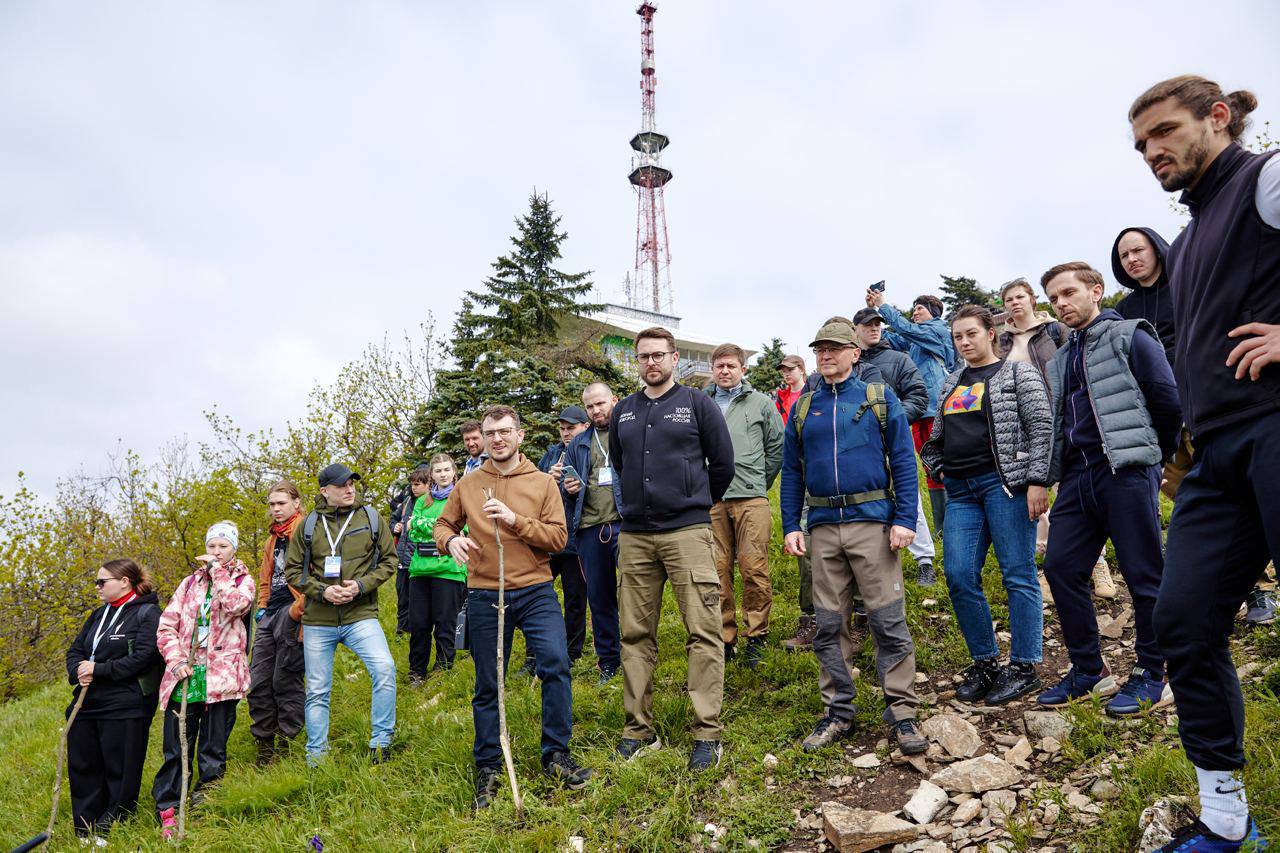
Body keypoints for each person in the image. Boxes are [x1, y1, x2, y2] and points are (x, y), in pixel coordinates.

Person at [1129, 74, 1277, 850]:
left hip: (1278, 426)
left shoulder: (1267, 179)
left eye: (1164, 131)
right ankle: (1227, 819)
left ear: (1216, 117)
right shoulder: (1184, 243)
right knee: (1182, 620)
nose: (1152, 150)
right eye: (1141, 144)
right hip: (1215, 458)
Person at [1034, 262, 1181, 720]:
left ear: (1096, 291)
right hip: (1079, 476)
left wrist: (1153, 457)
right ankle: (1087, 669)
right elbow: (1061, 422)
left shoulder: (1131, 334)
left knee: (1143, 575)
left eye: (1068, 293)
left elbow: (1166, 399)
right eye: (1054, 298)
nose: (1060, 304)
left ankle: (1152, 671)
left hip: (1126, 470)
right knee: (1061, 567)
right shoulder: (1060, 357)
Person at [1112, 227, 1277, 626]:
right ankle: (1217, 585)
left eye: (1139, 249)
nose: (1132, 259)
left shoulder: (1190, 285)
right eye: (1124, 255)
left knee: (1239, 494)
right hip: (1155, 418)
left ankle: (1259, 589)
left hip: (1205, 406)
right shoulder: (1125, 309)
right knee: (1186, 494)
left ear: (1158, 249)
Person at [781, 319, 928, 755]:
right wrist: (791, 524)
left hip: (873, 525)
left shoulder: (879, 399)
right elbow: (792, 472)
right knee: (828, 624)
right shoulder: (803, 408)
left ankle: (902, 712)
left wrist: (905, 519)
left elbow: (904, 461)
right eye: (820, 349)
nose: (826, 355)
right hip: (823, 528)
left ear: (854, 353)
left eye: (835, 348)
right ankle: (838, 712)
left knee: (887, 621)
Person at [433, 405, 590, 809]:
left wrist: (515, 520)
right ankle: (488, 766)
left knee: (555, 663)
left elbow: (558, 538)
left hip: (536, 590)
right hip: (486, 593)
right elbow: (443, 525)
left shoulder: (541, 483)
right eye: (490, 433)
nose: (497, 439)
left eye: (505, 431)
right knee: (489, 681)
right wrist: (450, 542)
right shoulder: (467, 484)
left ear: (520, 436)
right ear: (482, 439)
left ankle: (556, 754)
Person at [609, 326, 735, 771]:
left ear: (675, 357)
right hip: (636, 536)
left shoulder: (698, 404)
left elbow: (723, 465)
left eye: (658, 355)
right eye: (643, 357)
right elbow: (620, 465)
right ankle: (638, 730)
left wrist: (693, 501)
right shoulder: (622, 411)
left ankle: (707, 733)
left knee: (702, 630)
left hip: (687, 532)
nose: (651, 363)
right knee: (635, 634)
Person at [920, 306, 1052, 706]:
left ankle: (1025, 666)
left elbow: (1041, 425)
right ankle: (986, 663)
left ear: (990, 333)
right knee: (959, 574)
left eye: (971, 334)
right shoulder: (950, 383)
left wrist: (1037, 481)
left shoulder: (1017, 373)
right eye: (958, 336)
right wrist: (939, 465)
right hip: (960, 491)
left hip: (1005, 486)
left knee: (1018, 573)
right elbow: (937, 433)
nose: (964, 342)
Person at [996, 278, 1116, 601]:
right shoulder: (1002, 342)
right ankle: (1049, 567)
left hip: (1061, 420)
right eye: (1008, 299)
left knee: (1072, 491)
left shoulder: (1054, 331)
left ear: (1033, 300)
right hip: (1020, 428)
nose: (1014, 303)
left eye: (1020, 296)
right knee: (1038, 497)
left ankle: (1097, 564)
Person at [284, 463, 398, 765]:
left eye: (351, 484)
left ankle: (381, 743)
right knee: (318, 690)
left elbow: (389, 560)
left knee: (385, 669)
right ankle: (316, 757)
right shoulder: (308, 525)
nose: (349, 489)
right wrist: (322, 591)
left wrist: (360, 586)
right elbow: (292, 570)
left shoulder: (371, 518)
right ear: (325, 491)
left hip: (360, 615)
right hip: (319, 620)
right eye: (341, 485)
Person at [153, 523, 254, 840]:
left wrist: (218, 573)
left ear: (233, 549)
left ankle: (205, 805)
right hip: (184, 675)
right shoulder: (188, 584)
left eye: (223, 547)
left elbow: (237, 607)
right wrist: (176, 660)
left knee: (212, 748)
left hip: (222, 677)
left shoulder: (242, 581)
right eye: (212, 546)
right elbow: (166, 626)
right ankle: (169, 807)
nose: (216, 552)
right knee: (176, 746)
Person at [64, 558, 162, 843]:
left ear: (124, 582)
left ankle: (113, 824)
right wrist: (77, 671)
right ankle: (85, 828)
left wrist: (99, 669)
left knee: (119, 766)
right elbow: (75, 650)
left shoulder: (148, 612)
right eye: (97, 581)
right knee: (83, 764)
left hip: (125, 702)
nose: (97, 587)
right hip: (87, 703)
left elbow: (144, 657)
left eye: (102, 581)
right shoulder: (98, 614)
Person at [705, 343, 784, 667]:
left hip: (751, 497)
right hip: (711, 500)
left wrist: (758, 482)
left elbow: (777, 446)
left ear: (743, 370)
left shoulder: (761, 403)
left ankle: (757, 636)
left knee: (754, 568)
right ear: (713, 369)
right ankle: (725, 639)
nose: (725, 371)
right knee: (716, 572)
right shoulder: (700, 403)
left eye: (731, 366)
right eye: (720, 366)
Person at [853, 307, 936, 586]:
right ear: (855, 329)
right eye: (867, 325)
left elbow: (919, 394)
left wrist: (896, 417)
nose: (874, 328)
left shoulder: (899, 358)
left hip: (892, 438)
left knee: (907, 496)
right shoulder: (848, 362)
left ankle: (925, 560)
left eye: (878, 324)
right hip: (858, 444)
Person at [869, 290, 957, 534]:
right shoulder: (916, 340)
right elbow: (889, 339)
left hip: (939, 409)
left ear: (934, 311)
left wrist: (883, 306)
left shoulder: (937, 330)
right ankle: (941, 528)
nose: (915, 312)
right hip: (919, 410)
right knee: (930, 465)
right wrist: (870, 321)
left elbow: (907, 330)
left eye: (920, 308)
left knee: (946, 463)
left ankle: (956, 522)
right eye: (914, 308)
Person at [562, 383, 625, 684]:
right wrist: (569, 488)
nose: (597, 410)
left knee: (634, 595)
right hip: (589, 529)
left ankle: (638, 655)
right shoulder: (578, 443)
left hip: (626, 525)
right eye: (590, 407)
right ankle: (610, 661)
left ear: (614, 400)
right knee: (599, 600)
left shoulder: (629, 430)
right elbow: (569, 488)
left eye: (601, 403)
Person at [247, 481, 307, 766]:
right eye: (271, 504)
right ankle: (264, 743)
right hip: (270, 614)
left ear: (296, 503)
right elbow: (265, 577)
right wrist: (261, 607)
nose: (276, 509)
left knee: (285, 679)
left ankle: (287, 743)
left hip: (293, 611)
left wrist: (298, 609)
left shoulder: (307, 531)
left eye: (281, 503)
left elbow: (319, 573)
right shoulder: (272, 539)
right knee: (258, 681)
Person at [532, 406, 592, 673]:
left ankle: (571, 653)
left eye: (572, 427)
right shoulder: (552, 454)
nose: (566, 433)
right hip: (548, 539)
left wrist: (575, 488)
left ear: (584, 426)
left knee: (575, 600)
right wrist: (547, 479)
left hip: (576, 540)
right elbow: (531, 489)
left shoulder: (590, 449)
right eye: (563, 428)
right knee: (536, 596)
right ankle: (535, 654)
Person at [404, 455, 467, 680]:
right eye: (438, 470)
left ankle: (443, 670)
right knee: (419, 624)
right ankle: (417, 672)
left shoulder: (461, 498)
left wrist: (422, 524)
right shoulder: (422, 501)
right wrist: (442, 526)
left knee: (444, 623)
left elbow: (463, 530)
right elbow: (411, 531)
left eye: (446, 470)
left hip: (449, 570)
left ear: (453, 472)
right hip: (420, 569)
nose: (442, 474)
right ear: (431, 475)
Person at [775, 355, 807, 426]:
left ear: (801, 370)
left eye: (790, 370)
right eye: (784, 371)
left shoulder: (813, 394)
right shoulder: (781, 398)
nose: (786, 374)